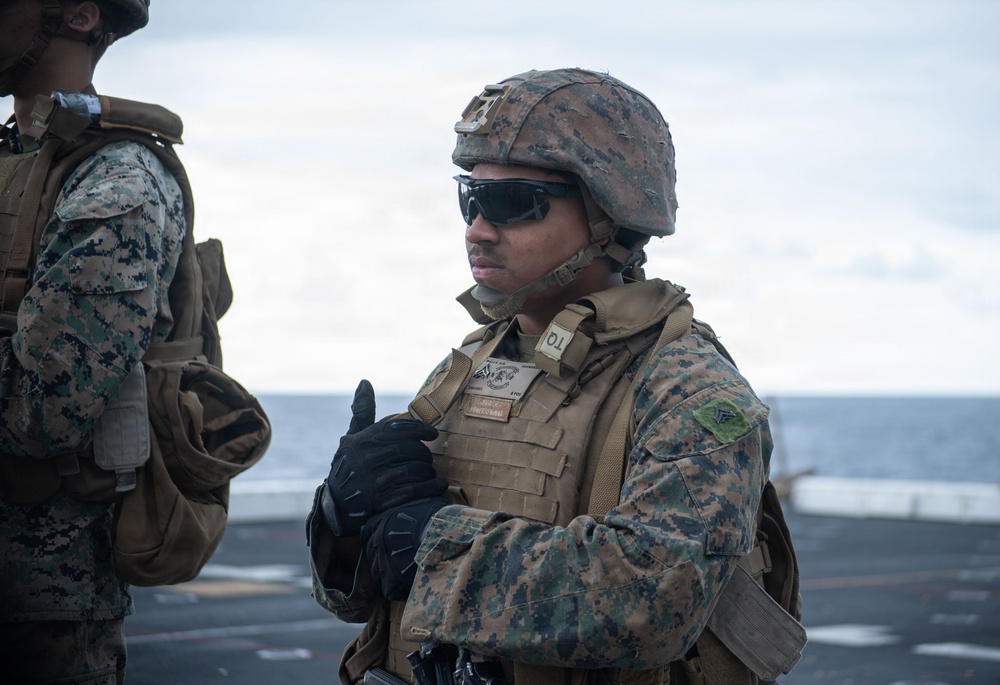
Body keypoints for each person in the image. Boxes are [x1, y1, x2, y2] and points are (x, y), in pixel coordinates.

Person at [308, 68, 804, 685]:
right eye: (470, 198)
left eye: (514, 203)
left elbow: (653, 600)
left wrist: (433, 545)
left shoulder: (687, 389)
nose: (478, 229)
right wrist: (345, 520)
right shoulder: (475, 362)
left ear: (607, 213)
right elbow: (364, 598)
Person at [0, 1, 188, 682]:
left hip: (38, 604)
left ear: (77, 14)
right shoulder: (15, 158)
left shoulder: (118, 179)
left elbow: (46, 403)